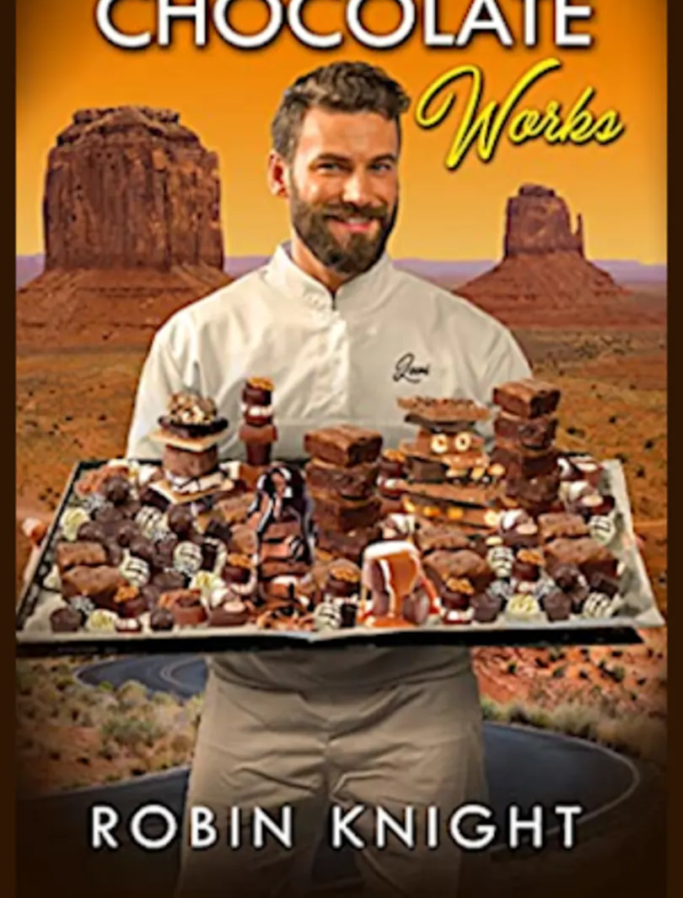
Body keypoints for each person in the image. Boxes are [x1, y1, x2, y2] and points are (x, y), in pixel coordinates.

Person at [126, 61, 531, 898]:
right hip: (253, 702)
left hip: (419, 704)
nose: (360, 192)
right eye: (332, 166)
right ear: (280, 174)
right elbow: (149, 511)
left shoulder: (473, 342)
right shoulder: (199, 338)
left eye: (380, 166)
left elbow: (513, 511)